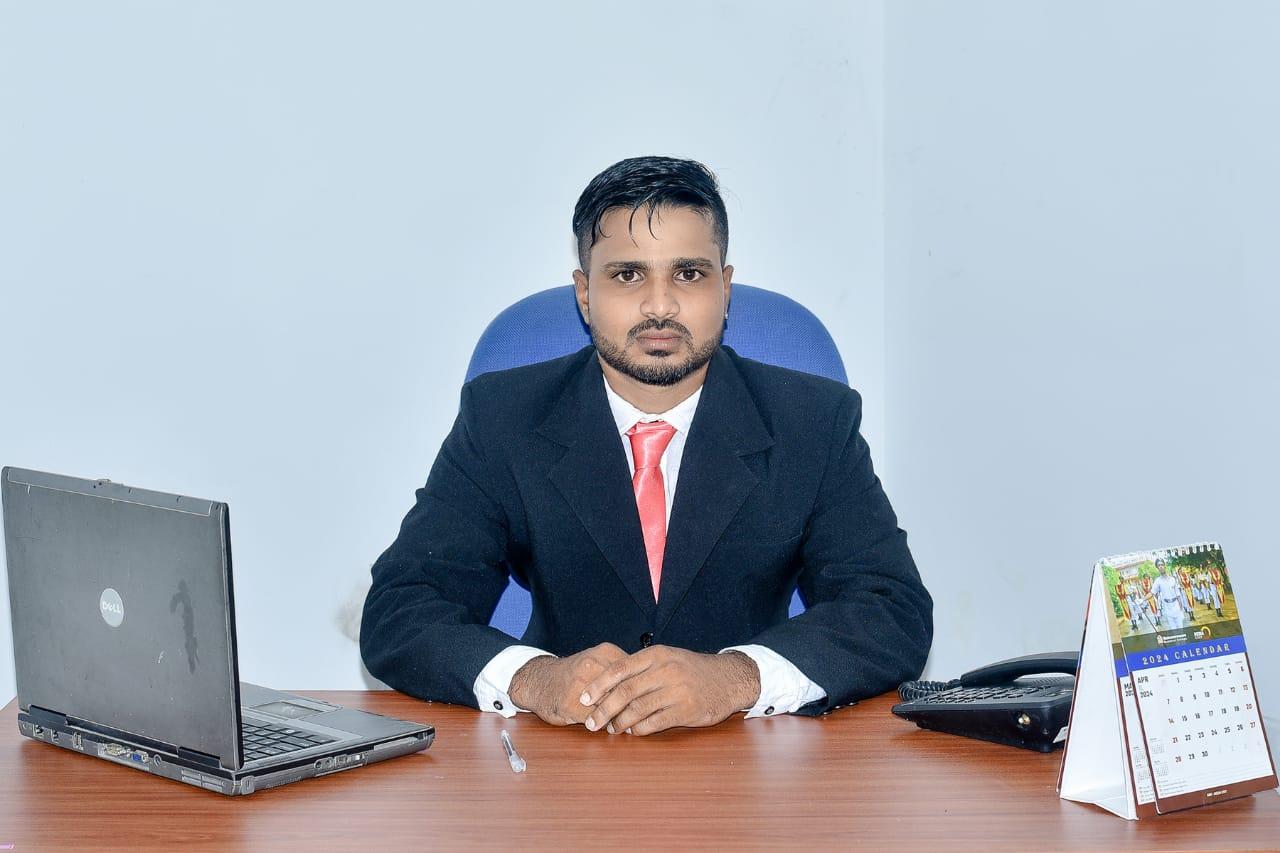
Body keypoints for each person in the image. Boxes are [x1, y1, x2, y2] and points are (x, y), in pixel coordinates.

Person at [360, 156, 933, 736]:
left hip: (750, 753)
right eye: (628, 275)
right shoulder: (503, 416)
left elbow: (892, 609)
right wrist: (535, 679)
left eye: (688, 273)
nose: (660, 306)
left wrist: (737, 678)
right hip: (561, 757)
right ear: (585, 294)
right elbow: (401, 609)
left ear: (725, 289)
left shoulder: (812, 420)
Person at [1151, 560, 1185, 631]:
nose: (1161, 567)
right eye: (1159, 565)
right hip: (1167, 608)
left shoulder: (1172, 579)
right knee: (1173, 630)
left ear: (1165, 566)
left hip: (1176, 606)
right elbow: (1152, 593)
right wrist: (1142, 600)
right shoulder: (1157, 581)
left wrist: (1181, 610)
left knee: (1181, 629)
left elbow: (1178, 595)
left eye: (1162, 565)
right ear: (1157, 568)